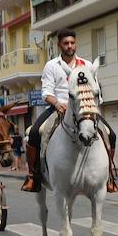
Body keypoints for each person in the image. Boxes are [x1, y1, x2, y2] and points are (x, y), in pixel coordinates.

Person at [22, 29, 93, 192]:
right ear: (59, 45)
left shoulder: (86, 65)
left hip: (83, 108)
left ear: (76, 44)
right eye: (66, 43)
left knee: (110, 134)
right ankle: (33, 176)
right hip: (57, 107)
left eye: (72, 43)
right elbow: (46, 92)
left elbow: (94, 88)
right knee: (34, 132)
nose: (69, 46)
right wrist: (57, 103)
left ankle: (109, 175)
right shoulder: (51, 65)